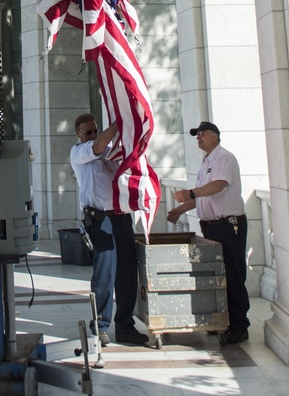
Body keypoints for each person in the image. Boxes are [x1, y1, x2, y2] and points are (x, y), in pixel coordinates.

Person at [70, 112, 149, 347]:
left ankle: (125, 325)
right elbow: (98, 146)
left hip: (120, 216)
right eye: (89, 132)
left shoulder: (111, 151)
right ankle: (101, 325)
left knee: (126, 273)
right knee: (104, 274)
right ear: (79, 134)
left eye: (96, 130)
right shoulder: (79, 153)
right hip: (99, 218)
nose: (94, 135)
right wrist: (117, 124)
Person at [167, 121, 249, 345]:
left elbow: (218, 186)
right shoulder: (206, 162)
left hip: (227, 225)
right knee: (217, 276)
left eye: (202, 134)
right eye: (196, 135)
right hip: (211, 226)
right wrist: (179, 209)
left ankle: (240, 324)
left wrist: (190, 192)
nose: (198, 138)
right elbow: (201, 196)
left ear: (214, 136)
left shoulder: (224, 158)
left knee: (232, 274)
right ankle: (223, 320)